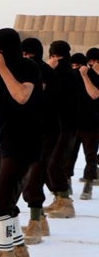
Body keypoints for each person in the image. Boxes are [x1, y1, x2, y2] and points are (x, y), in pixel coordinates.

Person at [0, 28, 42, 257]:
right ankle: (19, 253)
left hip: (25, 144)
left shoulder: (28, 68)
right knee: (4, 201)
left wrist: (2, 69)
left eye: (1, 51)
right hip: (6, 143)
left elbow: (21, 96)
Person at [19, 38, 59, 244]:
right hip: (31, 130)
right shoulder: (25, 69)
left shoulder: (43, 72)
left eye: (29, 54)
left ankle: (36, 222)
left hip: (47, 131)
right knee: (29, 175)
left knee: (35, 175)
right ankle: (40, 219)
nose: (25, 58)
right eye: (22, 54)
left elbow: (33, 95)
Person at [42, 40, 80, 219]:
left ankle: (65, 201)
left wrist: (48, 70)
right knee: (50, 164)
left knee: (55, 164)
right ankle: (59, 197)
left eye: (59, 57)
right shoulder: (57, 73)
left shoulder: (67, 75)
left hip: (67, 126)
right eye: (53, 56)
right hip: (56, 126)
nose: (56, 60)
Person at [66, 51, 99, 201]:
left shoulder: (92, 76)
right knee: (68, 155)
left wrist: (85, 76)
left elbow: (94, 94)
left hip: (91, 124)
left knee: (90, 156)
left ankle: (88, 184)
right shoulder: (70, 77)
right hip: (73, 123)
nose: (75, 68)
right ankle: (66, 184)